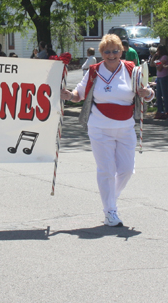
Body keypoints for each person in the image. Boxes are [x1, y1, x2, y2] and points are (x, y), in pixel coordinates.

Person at [60, 34, 154, 227]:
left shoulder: (131, 69)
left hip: (126, 127)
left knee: (127, 170)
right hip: (99, 128)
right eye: (107, 51)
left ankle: (111, 198)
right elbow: (79, 94)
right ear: (101, 53)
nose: (111, 55)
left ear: (122, 51)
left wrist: (148, 94)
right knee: (106, 170)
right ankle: (110, 210)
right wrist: (69, 95)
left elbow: (147, 92)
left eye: (115, 51)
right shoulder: (94, 71)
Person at [149, 44, 168, 119]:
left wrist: (158, 63)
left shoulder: (165, 57)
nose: (157, 52)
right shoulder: (159, 58)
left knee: (165, 95)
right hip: (159, 78)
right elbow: (151, 64)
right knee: (158, 95)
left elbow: (159, 68)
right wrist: (154, 56)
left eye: (158, 50)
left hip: (164, 77)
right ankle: (160, 111)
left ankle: (166, 111)